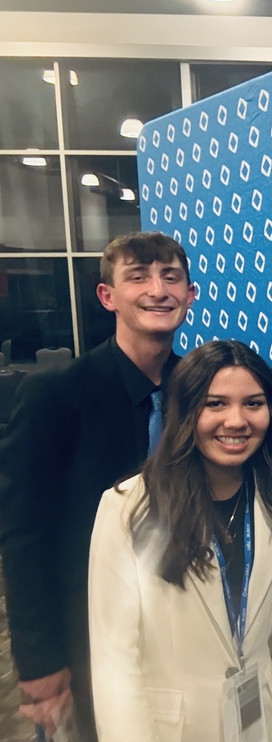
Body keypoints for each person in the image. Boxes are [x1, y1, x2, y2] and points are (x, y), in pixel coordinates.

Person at [0, 232, 194, 740]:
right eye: (139, 276)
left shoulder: (199, 392)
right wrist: (40, 661)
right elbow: (25, 534)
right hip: (87, 635)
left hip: (184, 627)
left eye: (171, 277)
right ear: (107, 296)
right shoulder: (53, 395)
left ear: (190, 295)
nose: (158, 289)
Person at [88, 340, 272, 741]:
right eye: (214, 404)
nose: (236, 420)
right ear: (184, 412)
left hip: (259, 725)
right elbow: (115, 659)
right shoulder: (128, 508)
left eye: (253, 403)